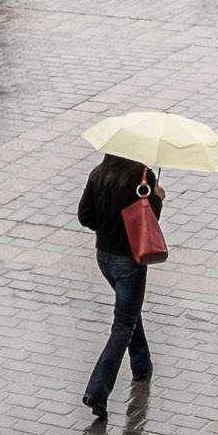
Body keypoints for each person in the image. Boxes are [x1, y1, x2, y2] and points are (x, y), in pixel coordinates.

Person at [76, 154, 164, 420]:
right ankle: (97, 391)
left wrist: (108, 225)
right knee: (123, 325)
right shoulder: (142, 178)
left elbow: (85, 217)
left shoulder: (98, 174)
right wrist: (157, 197)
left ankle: (142, 364)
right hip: (129, 262)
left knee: (129, 310)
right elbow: (150, 220)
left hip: (104, 257)